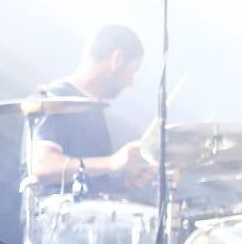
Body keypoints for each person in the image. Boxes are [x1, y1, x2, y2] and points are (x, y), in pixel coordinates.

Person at [26, 24, 156, 197]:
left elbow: (86, 184)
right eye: (131, 71)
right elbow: (43, 166)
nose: (130, 82)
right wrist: (111, 163)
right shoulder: (56, 97)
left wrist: (122, 182)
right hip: (56, 220)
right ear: (117, 59)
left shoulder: (93, 107)